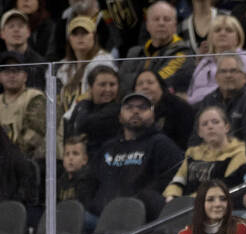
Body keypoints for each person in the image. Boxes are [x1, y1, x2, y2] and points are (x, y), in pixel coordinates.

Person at [92, 90, 184, 218]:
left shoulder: (161, 144)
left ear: (153, 116)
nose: (135, 111)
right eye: (129, 107)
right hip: (100, 219)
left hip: (139, 219)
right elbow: (92, 181)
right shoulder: (108, 147)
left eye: (143, 107)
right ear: (119, 116)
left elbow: (177, 177)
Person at [163, 106, 246, 199]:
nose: (210, 126)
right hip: (186, 205)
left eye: (215, 122)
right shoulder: (192, 153)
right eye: (204, 124)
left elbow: (227, 185)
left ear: (226, 127)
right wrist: (171, 196)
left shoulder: (239, 152)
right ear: (199, 132)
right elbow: (179, 180)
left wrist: (190, 200)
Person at [197, 53, 246, 145]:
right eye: (223, 71)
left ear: (245, 77)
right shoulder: (209, 100)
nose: (228, 75)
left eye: (233, 71)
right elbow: (196, 136)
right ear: (216, 77)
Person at [118, 1, 195, 95]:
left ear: (175, 26)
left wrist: (132, 79)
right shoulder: (134, 53)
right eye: (156, 19)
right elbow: (120, 81)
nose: (161, 23)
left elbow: (161, 83)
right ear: (147, 25)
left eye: (167, 19)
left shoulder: (184, 53)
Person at [55, 15, 114, 120]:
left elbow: (93, 95)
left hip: (93, 119)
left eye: (85, 33)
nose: (80, 37)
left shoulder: (103, 61)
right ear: (69, 39)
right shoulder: (63, 67)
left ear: (94, 36)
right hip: (65, 124)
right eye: (75, 34)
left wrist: (68, 117)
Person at [185, 14, 246, 104]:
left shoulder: (244, 60)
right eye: (217, 30)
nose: (222, 33)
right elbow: (191, 90)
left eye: (229, 30)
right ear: (211, 37)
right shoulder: (205, 61)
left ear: (238, 38)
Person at [64, 64, 121, 159]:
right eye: (102, 85)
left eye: (112, 85)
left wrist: (84, 102)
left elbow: (83, 124)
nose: (108, 89)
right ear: (90, 87)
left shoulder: (117, 110)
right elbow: (70, 132)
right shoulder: (83, 106)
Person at [133, 68, 195, 151]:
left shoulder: (179, 108)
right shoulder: (130, 112)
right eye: (140, 84)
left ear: (161, 87)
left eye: (150, 82)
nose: (145, 87)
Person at [0, 49, 46, 159]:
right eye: (6, 71)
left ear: (25, 76)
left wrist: (10, 158)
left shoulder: (36, 97)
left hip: (31, 164)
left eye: (16, 70)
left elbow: (33, 136)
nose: (11, 75)